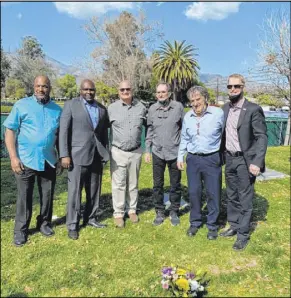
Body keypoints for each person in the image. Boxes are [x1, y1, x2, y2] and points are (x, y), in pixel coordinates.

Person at [4, 75, 62, 247]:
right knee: (24, 197)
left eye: (44, 86)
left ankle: (44, 223)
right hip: (25, 159)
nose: (41, 89)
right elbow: (10, 131)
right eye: (38, 86)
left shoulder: (57, 110)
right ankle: (21, 230)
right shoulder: (21, 105)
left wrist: (59, 157)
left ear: (49, 88)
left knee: (47, 195)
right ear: (33, 86)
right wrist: (14, 157)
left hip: (48, 160)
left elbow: (59, 136)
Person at [219, 73, 267, 250]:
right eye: (230, 86)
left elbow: (261, 137)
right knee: (231, 195)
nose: (233, 89)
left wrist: (257, 161)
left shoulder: (253, 109)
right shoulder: (224, 109)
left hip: (245, 160)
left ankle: (243, 234)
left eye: (236, 86)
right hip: (229, 158)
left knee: (245, 197)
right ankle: (234, 225)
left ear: (242, 87)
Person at [59, 79, 109, 240]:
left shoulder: (101, 109)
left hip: (96, 155)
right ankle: (72, 224)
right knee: (75, 192)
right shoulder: (71, 105)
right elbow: (63, 131)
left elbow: (103, 133)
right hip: (76, 156)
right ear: (80, 90)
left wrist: (105, 152)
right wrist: (64, 154)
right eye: (85, 89)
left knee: (94, 190)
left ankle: (91, 218)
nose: (89, 92)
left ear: (95, 91)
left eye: (92, 90)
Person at [177, 86, 224, 240]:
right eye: (192, 101)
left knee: (213, 192)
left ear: (205, 99)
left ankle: (212, 225)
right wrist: (180, 157)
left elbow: (225, 134)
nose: (195, 103)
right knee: (194, 192)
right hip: (193, 159)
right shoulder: (188, 116)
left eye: (198, 99)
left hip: (211, 158)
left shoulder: (218, 114)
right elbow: (184, 137)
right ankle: (195, 222)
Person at [108, 80, 147, 228]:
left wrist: (146, 148)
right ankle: (118, 213)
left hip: (136, 151)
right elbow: (105, 130)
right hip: (118, 151)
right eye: (122, 89)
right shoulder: (111, 108)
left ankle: (132, 210)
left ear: (132, 90)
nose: (125, 92)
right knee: (118, 184)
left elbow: (147, 129)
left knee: (133, 183)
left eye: (128, 89)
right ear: (118, 91)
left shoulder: (141, 108)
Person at [145, 82, 184, 226]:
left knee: (175, 184)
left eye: (163, 92)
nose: (160, 94)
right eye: (158, 92)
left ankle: (174, 211)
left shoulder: (178, 107)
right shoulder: (152, 109)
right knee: (157, 184)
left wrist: (182, 152)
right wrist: (147, 150)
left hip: (174, 152)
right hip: (157, 152)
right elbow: (149, 130)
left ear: (169, 93)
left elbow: (183, 129)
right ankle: (160, 212)